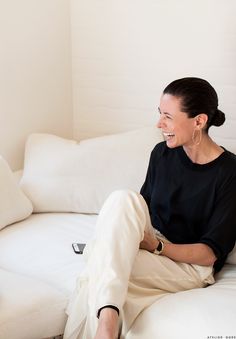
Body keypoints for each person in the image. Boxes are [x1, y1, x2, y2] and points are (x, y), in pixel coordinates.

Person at [63, 77, 236, 339]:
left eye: (167, 116)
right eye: (159, 114)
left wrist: (156, 246)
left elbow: (209, 255)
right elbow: (139, 209)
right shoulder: (161, 153)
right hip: (152, 246)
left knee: (100, 266)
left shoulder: (230, 173)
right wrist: (139, 240)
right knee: (123, 198)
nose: (159, 124)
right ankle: (107, 326)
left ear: (199, 121)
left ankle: (105, 326)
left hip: (188, 266)